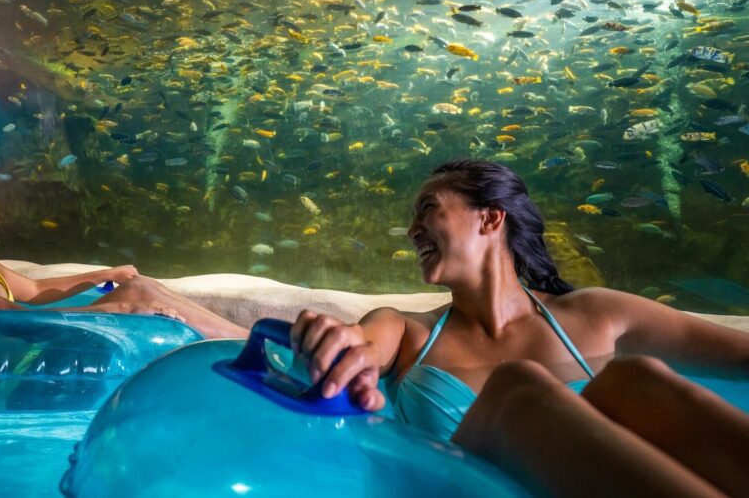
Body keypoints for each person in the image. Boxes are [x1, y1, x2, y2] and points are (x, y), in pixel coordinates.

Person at [291, 159, 749, 498]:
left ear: (491, 218)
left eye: (427, 208)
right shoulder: (407, 332)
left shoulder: (597, 315)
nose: (412, 230)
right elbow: (365, 342)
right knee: (518, 389)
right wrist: (339, 346)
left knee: (635, 381)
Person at [0, 155, 247, 339]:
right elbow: (18, 321)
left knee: (138, 284)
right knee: (134, 296)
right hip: (6, 383)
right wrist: (121, 308)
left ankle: (246, 339)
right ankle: (250, 345)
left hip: (31, 356)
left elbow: (34, 291)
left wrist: (107, 276)